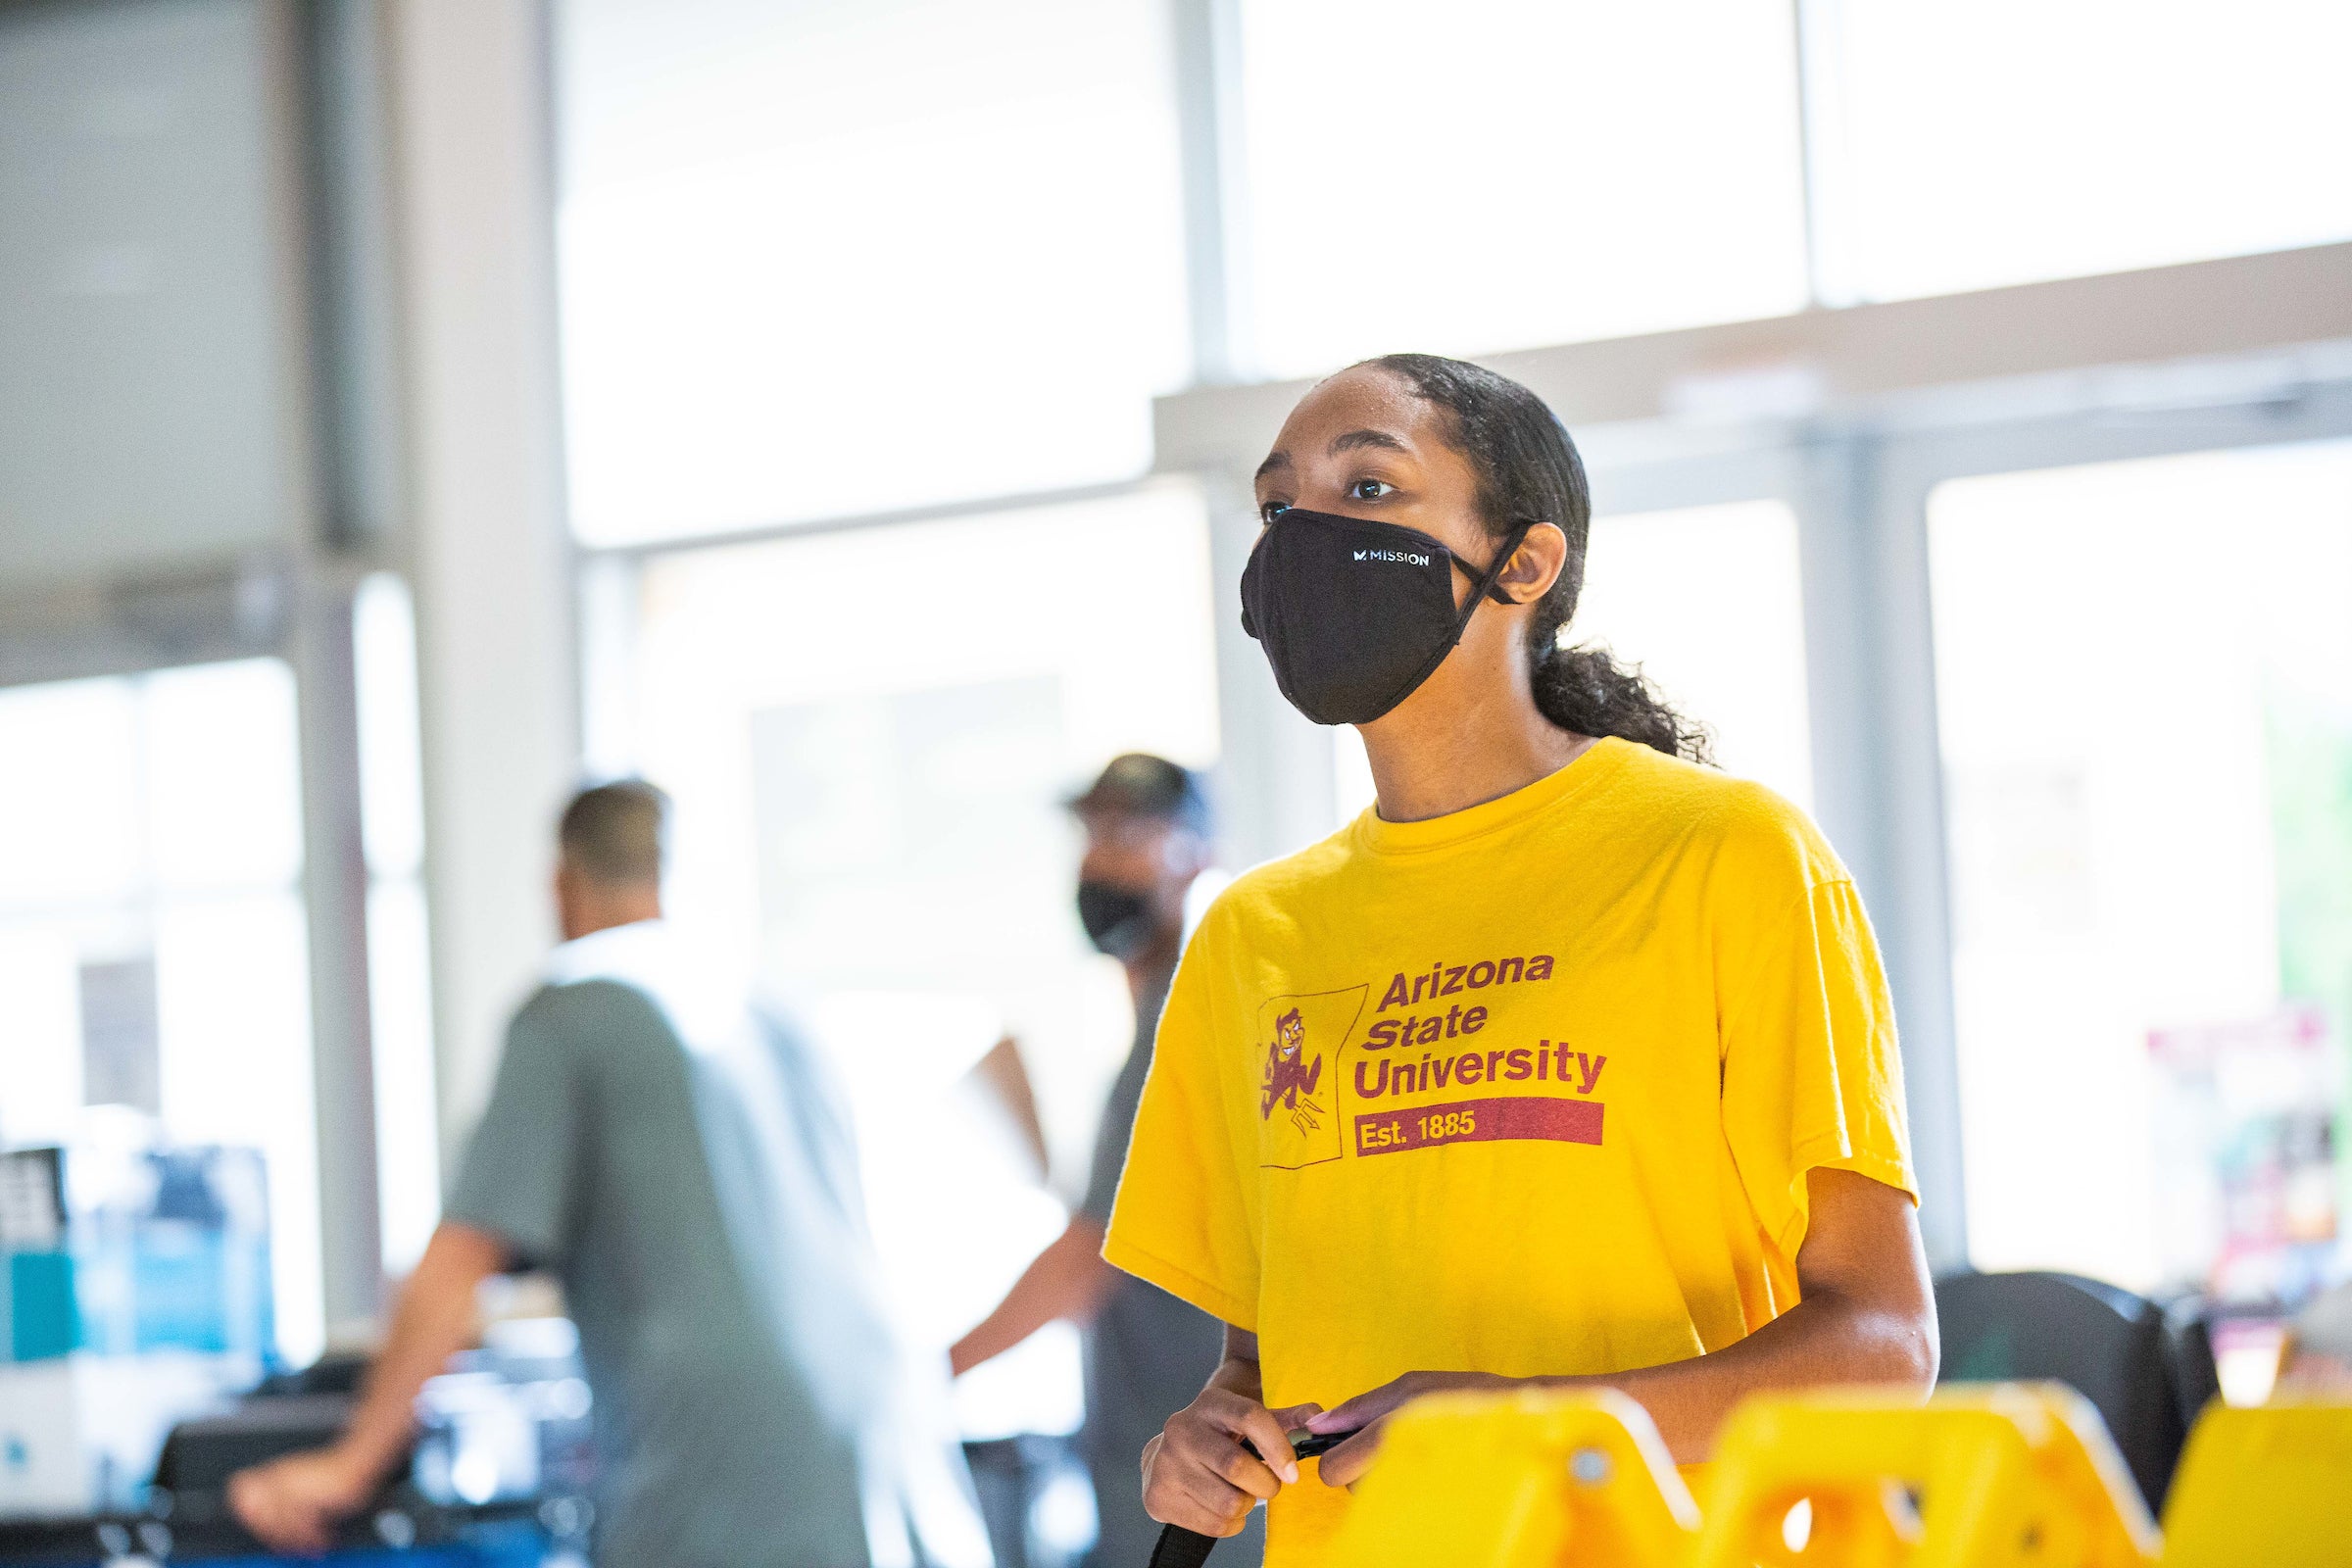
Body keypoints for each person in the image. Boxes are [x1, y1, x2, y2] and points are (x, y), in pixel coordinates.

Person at [1106, 354, 1938, 1562]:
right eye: (1279, 505)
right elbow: (1258, 1359)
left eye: (1371, 488)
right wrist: (1203, 1438)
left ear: (1526, 563)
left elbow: (1884, 1348)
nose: (1303, 537)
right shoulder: (1252, 935)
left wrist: (1532, 1421)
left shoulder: (1729, 857)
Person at [229, 780, 991, 1568]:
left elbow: (461, 1263)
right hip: (899, 1427)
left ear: (562, 885)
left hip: (729, 1467)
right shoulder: (772, 1009)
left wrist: (346, 1467)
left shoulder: (572, 1013)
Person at [948, 755, 1261, 1568]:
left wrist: (935, 1373)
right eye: (1091, 833)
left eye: (1130, 833)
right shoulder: (1149, 1016)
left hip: (1204, 1477)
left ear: (1197, 852)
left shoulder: (1182, 1010)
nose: (1100, 859)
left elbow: (1091, 1256)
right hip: (1165, 1465)